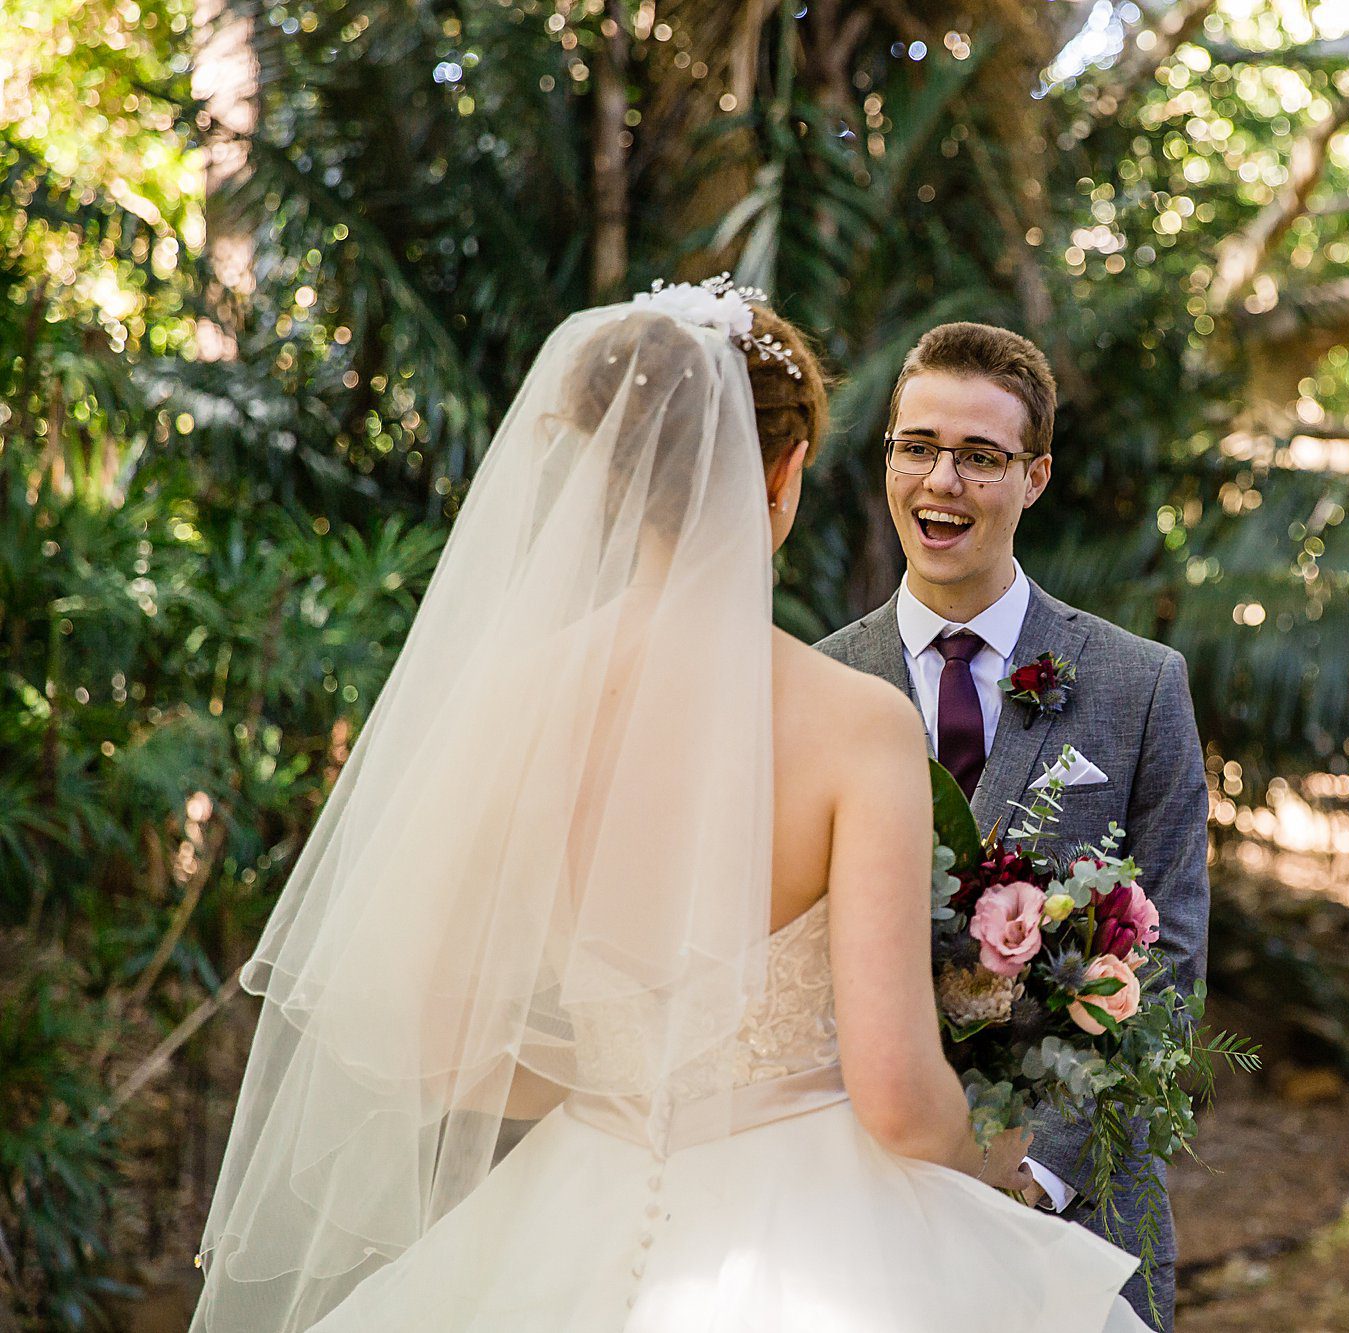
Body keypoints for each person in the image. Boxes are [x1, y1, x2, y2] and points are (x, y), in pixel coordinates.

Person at [189, 288, 1149, 1332]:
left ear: (607, 475)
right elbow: (896, 1096)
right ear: (784, 473)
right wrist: (993, 1155)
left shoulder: (514, 702)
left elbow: (444, 1047)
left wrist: (627, 1070)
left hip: (571, 1201)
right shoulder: (855, 724)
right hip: (814, 1218)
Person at [817, 322, 1210, 1330]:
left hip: (1076, 1230)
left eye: (980, 457)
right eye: (916, 446)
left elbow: (1170, 961)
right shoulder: (817, 688)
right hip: (858, 1215)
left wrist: (1035, 1166)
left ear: (1034, 477)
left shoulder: (1138, 685)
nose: (940, 482)